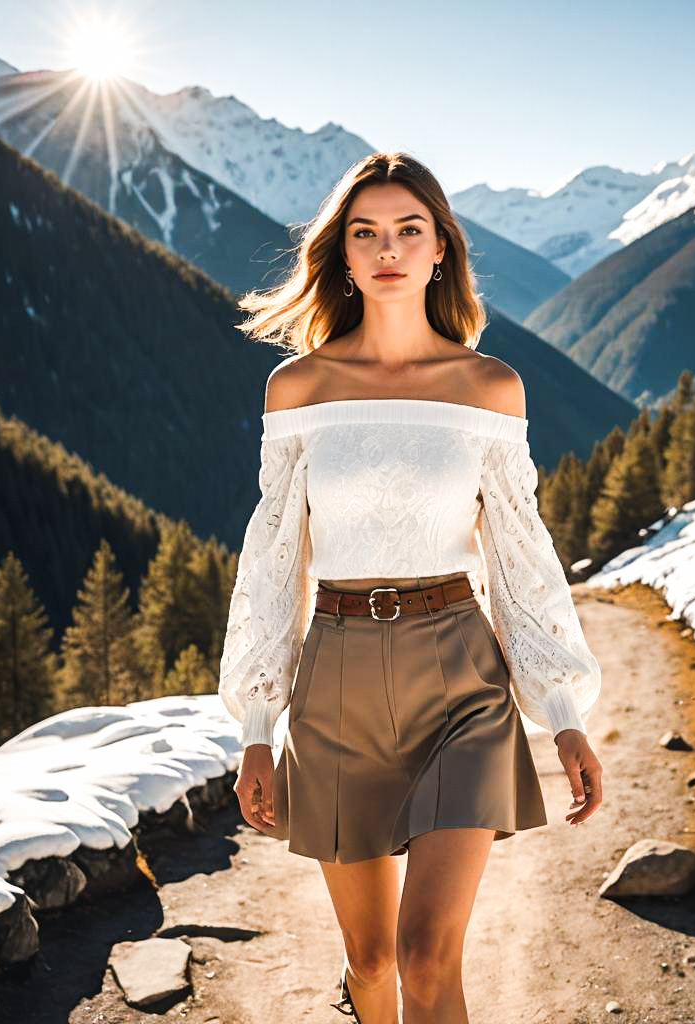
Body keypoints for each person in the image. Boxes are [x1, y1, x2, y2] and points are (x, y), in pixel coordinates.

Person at [218, 151, 604, 1024]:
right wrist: (254, 726)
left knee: (428, 958)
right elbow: (276, 558)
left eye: (407, 230)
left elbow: (519, 556)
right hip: (337, 676)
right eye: (366, 233)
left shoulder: (489, 388)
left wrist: (563, 712)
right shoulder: (299, 388)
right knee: (376, 961)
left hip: (461, 677)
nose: (386, 248)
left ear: (440, 250)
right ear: (343, 256)